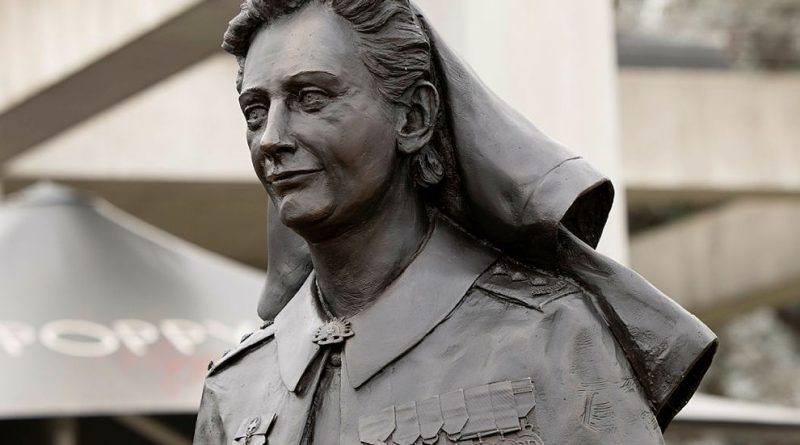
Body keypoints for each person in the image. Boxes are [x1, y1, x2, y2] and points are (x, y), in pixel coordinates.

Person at [194, 1, 717, 444]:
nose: (271, 139)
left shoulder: (549, 335)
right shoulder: (237, 387)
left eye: (311, 98)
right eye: (255, 111)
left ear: (414, 117)